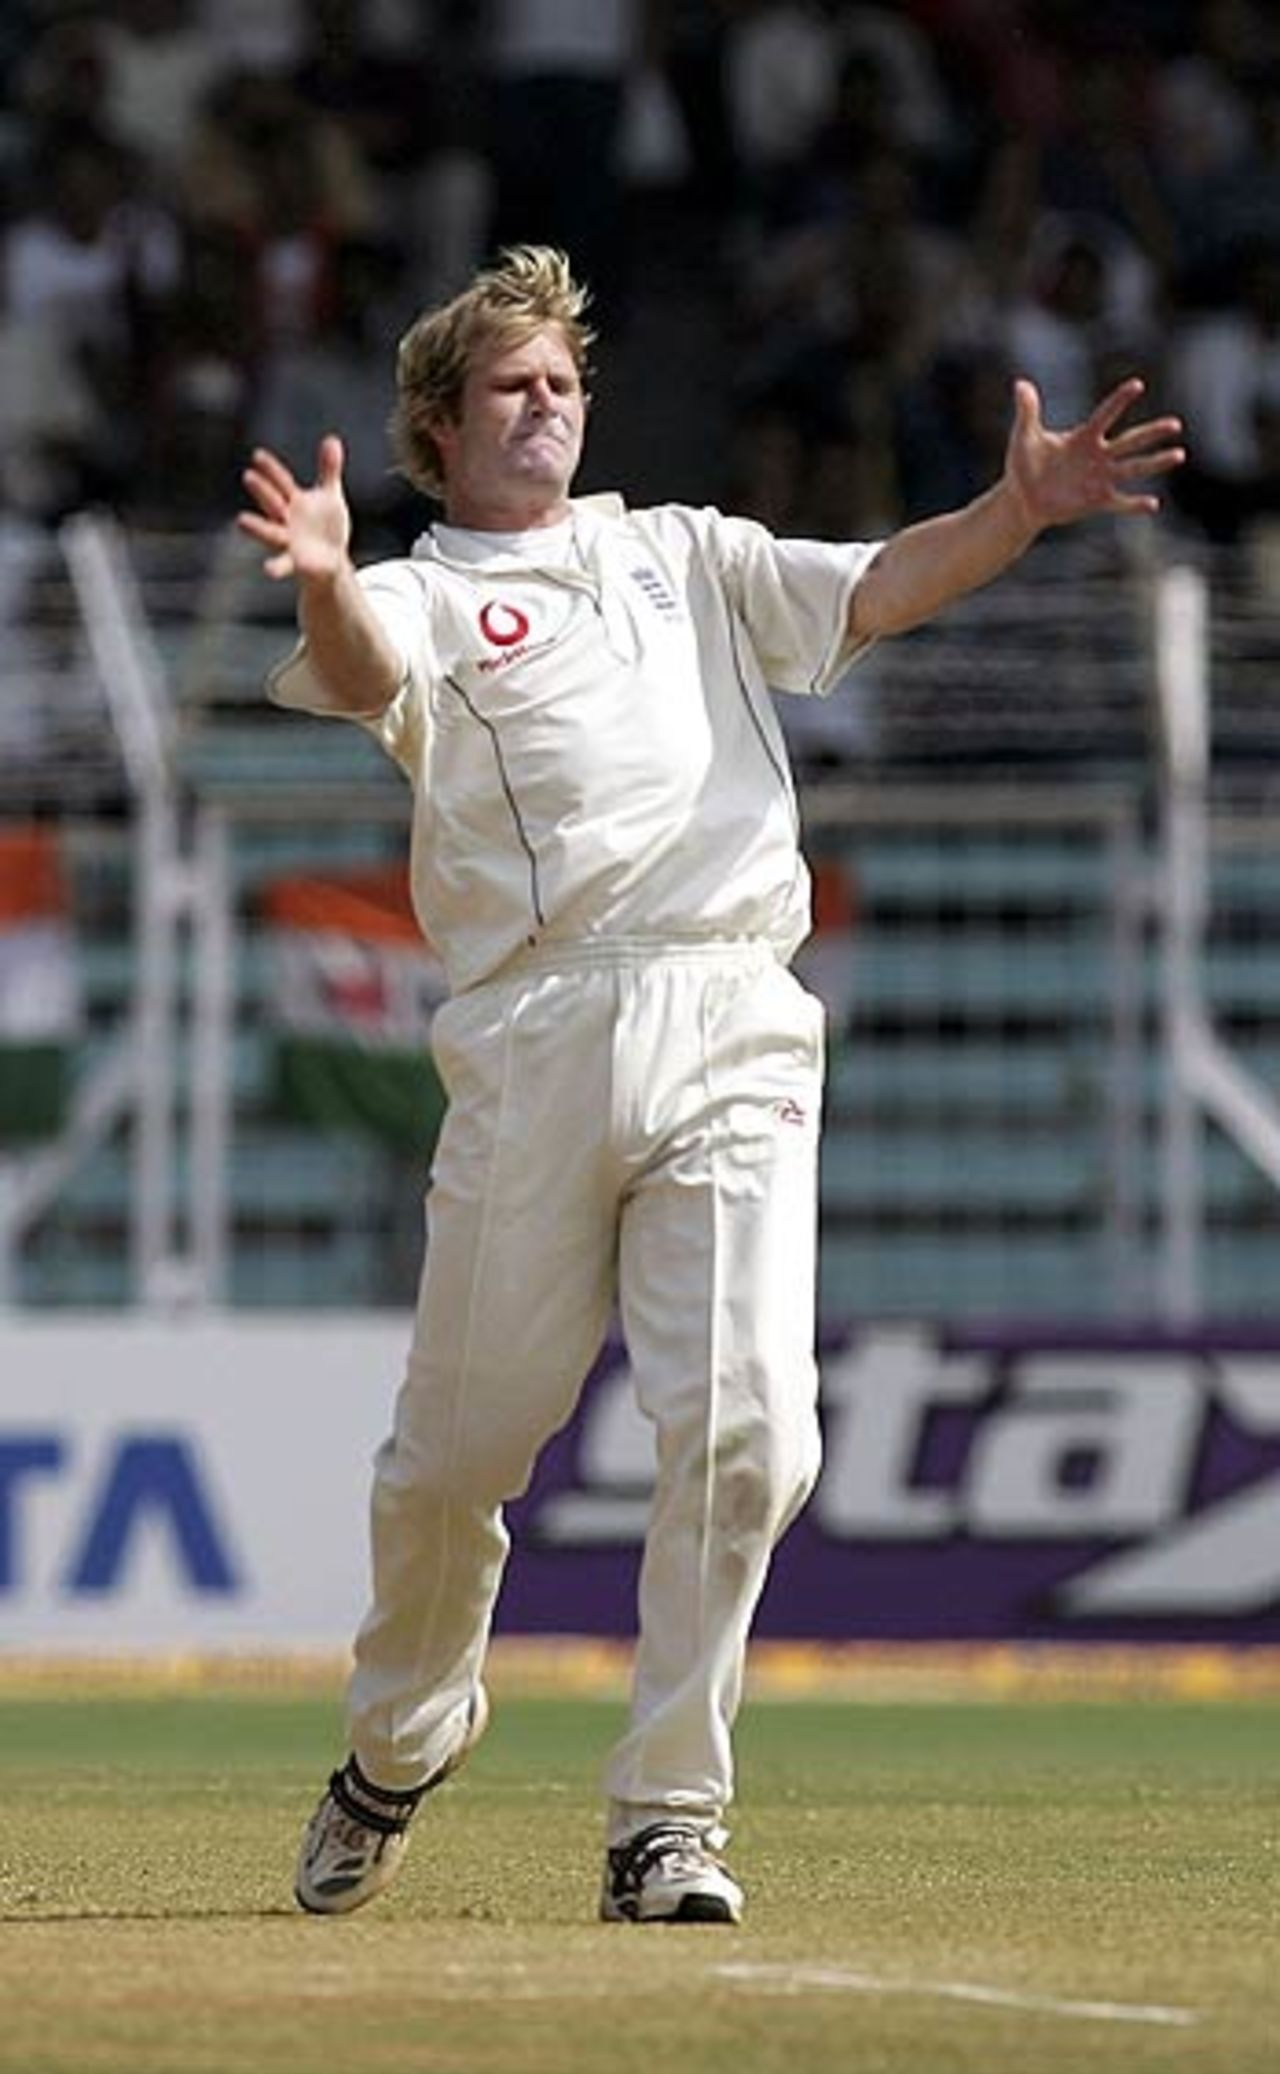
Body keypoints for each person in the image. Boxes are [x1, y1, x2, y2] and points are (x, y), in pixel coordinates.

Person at [238, 244, 1183, 1926]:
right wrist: (321, 573)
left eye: (564, 382)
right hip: (536, 1028)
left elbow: (879, 587)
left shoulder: (683, 554)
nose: (548, 404)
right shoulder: (429, 588)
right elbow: (371, 670)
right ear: (439, 435)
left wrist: (1015, 513)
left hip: (736, 1004)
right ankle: (402, 1739)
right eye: (510, 387)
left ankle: (666, 1816)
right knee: (454, 1460)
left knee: (751, 1428)